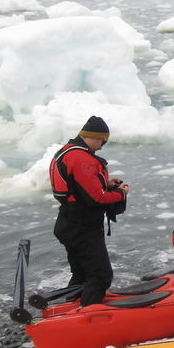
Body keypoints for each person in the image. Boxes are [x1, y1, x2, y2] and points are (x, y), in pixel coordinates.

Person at [49, 116, 129, 306]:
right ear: (94, 137)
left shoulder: (66, 152)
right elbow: (97, 198)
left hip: (67, 224)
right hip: (83, 228)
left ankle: (68, 311)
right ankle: (86, 319)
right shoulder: (82, 158)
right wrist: (121, 194)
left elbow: (77, 187)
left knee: (82, 273)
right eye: (103, 141)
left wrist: (106, 184)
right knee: (100, 276)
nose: (102, 147)